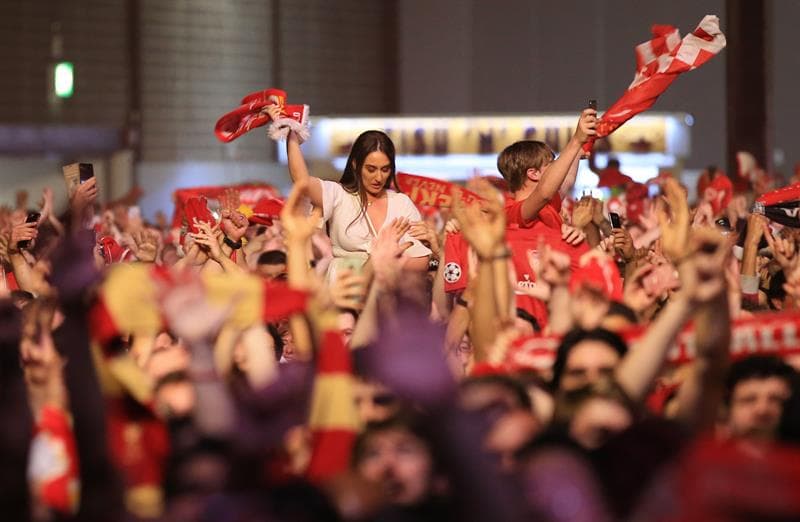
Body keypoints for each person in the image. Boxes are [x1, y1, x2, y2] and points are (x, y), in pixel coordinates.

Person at [269, 105, 431, 277]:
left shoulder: (402, 203)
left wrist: (388, 263)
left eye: (385, 169)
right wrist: (291, 133)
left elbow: (421, 260)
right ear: (355, 164)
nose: (378, 177)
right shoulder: (339, 195)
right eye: (371, 169)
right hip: (343, 285)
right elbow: (302, 181)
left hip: (390, 290)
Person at [721, 355, 797, 442]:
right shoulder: (707, 454)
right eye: (749, 400)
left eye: (776, 399)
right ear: (727, 411)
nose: (762, 410)